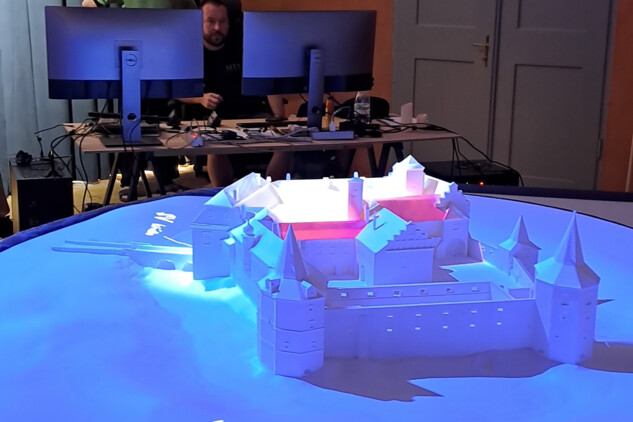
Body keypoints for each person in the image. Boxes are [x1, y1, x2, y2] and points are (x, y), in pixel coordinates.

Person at [82, 0, 198, 200]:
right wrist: (112, 31)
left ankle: (166, 178)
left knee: (162, 119)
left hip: (164, 58)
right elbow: (88, 4)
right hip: (132, 57)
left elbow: (194, 18)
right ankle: (130, 180)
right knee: (130, 119)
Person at [178, 0, 288, 187]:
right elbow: (174, 90)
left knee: (286, 144)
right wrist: (200, 98)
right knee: (216, 145)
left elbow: (268, 81)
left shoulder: (243, 45)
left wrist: (279, 118)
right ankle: (223, 192)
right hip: (210, 120)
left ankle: (272, 190)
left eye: (222, 21)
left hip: (251, 116)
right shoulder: (188, 51)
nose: (217, 27)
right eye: (210, 21)